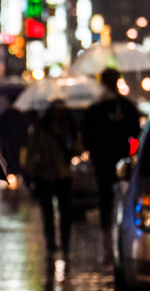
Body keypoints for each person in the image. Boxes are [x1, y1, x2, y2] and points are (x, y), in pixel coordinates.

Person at [81, 68, 141, 235]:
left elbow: (134, 131)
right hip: (103, 160)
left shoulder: (124, 106)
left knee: (123, 196)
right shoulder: (96, 108)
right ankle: (107, 230)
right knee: (106, 198)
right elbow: (88, 134)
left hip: (121, 159)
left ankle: (120, 228)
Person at [23, 100, 79, 260]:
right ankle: (50, 241)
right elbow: (32, 148)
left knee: (65, 211)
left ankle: (65, 240)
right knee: (47, 211)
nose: (58, 114)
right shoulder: (41, 128)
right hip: (44, 175)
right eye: (56, 111)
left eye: (61, 111)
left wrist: (72, 146)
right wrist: (31, 169)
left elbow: (78, 147)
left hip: (64, 175)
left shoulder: (70, 127)